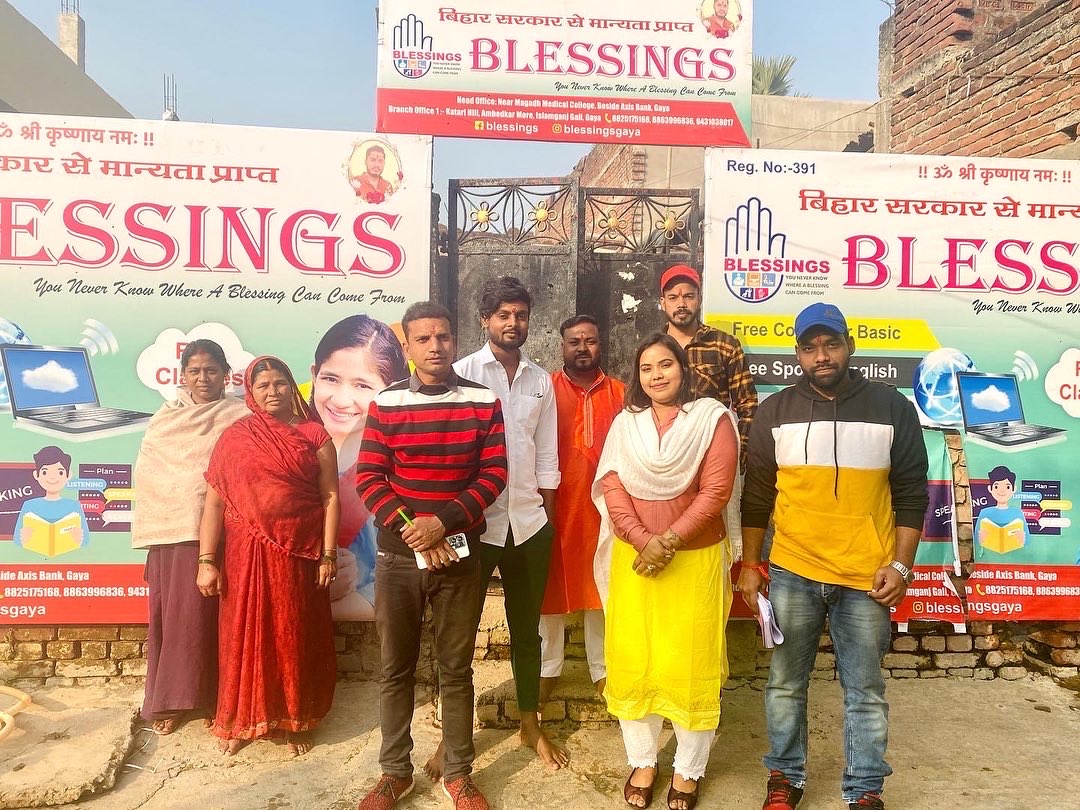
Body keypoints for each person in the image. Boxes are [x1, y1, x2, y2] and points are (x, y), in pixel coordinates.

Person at [737, 303, 929, 810]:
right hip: (793, 571)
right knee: (785, 684)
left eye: (830, 344)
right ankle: (785, 777)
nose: (820, 355)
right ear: (797, 354)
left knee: (865, 689)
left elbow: (912, 493)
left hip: (867, 576)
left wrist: (902, 566)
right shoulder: (775, 411)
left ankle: (864, 789)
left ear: (849, 346)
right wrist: (751, 564)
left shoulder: (892, 407)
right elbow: (757, 496)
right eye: (809, 347)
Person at [355, 301, 507, 810]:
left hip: (460, 554)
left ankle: (458, 773)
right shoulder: (387, 403)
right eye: (423, 339)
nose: (435, 346)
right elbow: (369, 476)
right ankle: (394, 773)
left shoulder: (482, 400)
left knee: (456, 669)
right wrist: (415, 529)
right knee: (395, 668)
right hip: (399, 558)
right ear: (407, 347)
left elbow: (494, 474)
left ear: (454, 340)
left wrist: (442, 523)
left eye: (442, 336)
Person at [595, 333, 740, 810]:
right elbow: (612, 485)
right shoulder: (626, 424)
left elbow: (715, 492)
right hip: (636, 562)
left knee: (691, 663)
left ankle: (687, 769)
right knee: (634, 659)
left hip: (694, 562)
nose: (656, 375)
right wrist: (644, 540)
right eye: (646, 368)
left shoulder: (712, 419)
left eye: (665, 365)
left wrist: (668, 542)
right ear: (637, 377)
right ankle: (643, 760)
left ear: (683, 368)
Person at [197, 356, 339, 757]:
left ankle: (296, 719)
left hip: (299, 552)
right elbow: (214, 504)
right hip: (244, 554)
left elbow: (330, 497)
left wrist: (328, 554)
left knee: (294, 634)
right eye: (263, 386)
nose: (272, 391)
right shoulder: (235, 438)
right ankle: (240, 719)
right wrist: (206, 561)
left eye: (279, 383)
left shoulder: (314, 434)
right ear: (250, 392)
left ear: (292, 387)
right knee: (242, 635)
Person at [453, 276, 568, 771]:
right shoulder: (461, 374)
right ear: (485, 319)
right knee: (459, 634)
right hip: (475, 526)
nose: (513, 323)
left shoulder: (540, 380)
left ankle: (529, 724)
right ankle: (453, 738)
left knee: (527, 631)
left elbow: (547, 455)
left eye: (520, 314)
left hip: (528, 524)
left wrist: (546, 518)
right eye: (503, 314)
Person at [132, 339, 247, 736]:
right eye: (195, 371)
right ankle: (172, 700)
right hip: (174, 535)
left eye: (211, 370)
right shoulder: (166, 419)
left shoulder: (240, 415)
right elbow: (152, 474)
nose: (203, 378)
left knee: (220, 619)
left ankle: (221, 699)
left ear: (226, 375)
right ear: (183, 375)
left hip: (225, 532)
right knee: (178, 619)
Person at [539, 315, 624, 704]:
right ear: (563, 346)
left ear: (600, 345)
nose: (582, 348)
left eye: (590, 340)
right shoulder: (546, 389)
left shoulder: (621, 393)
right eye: (574, 341)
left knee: (600, 587)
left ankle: (601, 670)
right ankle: (547, 669)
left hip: (603, 509)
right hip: (554, 505)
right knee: (548, 588)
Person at [309, 315, 409, 620]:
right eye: (330, 379)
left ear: (391, 390)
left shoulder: (396, 468)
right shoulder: (291, 454)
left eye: (362, 385)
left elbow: (396, 581)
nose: (341, 400)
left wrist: (338, 599)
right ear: (313, 375)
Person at [659, 264, 757, 469]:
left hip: (712, 455)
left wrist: (737, 455)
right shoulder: (653, 348)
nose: (681, 304)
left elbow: (748, 406)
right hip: (661, 456)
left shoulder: (724, 345)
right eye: (673, 297)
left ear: (700, 299)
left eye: (688, 296)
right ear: (663, 302)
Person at [14, 445, 91, 557]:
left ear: (68, 475)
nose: (52, 478)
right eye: (45, 472)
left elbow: (86, 540)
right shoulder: (29, 505)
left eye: (60, 472)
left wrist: (79, 538)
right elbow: (17, 539)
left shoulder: (74, 506)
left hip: (68, 557)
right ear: (36, 475)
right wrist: (24, 537)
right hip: (35, 557)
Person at [974, 465, 1030, 555]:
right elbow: (976, 539)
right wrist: (981, 537)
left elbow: (1027, 540)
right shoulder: (984, 512)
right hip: (989, 555)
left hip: (1014, 554)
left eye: (1007, 487)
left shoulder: (1017, 512)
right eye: (996, 487)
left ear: (1014, 489)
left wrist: (1022, 538)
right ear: (990, 489)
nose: (1002, 491)